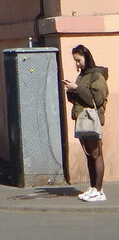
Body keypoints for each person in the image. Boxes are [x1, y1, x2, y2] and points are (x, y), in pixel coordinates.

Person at [63, 43, 109, 202]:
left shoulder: (97, 76)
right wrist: (71, 91)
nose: (77, 63)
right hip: (82, 119)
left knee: (96, 154)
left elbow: (96, 99)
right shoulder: (82, 75)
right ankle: (93, 187)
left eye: (79, 60)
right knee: (89, 155)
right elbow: (81, 98)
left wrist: (77, 88)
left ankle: (99, 190)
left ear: (86, 57)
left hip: (92, 119)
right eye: (75, 61)